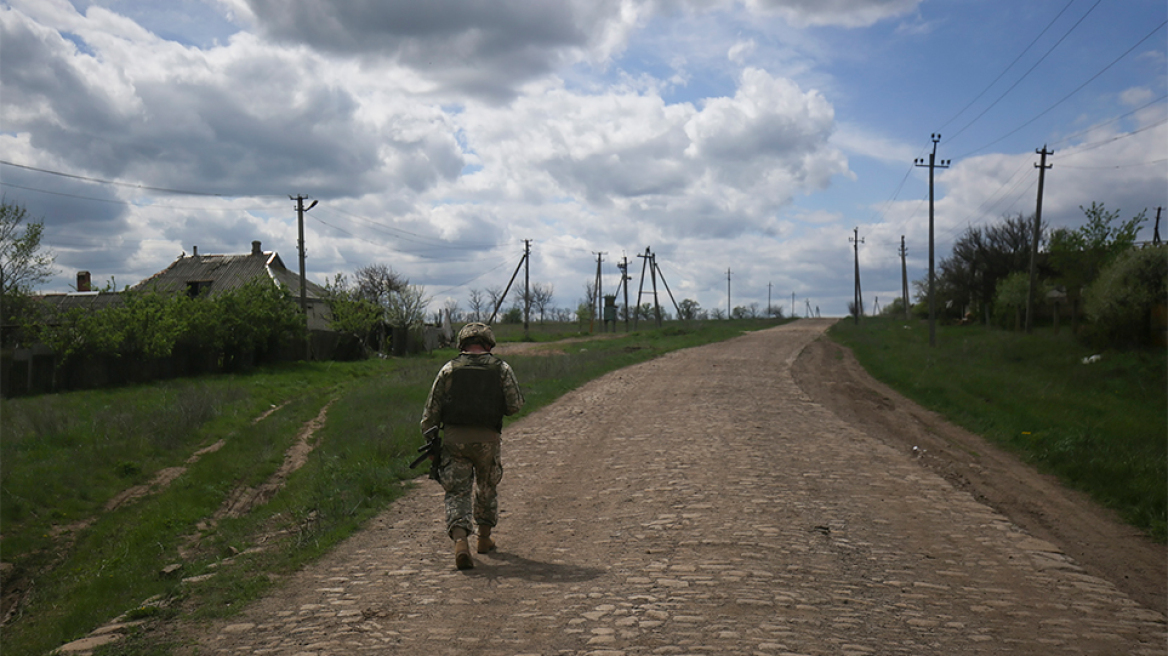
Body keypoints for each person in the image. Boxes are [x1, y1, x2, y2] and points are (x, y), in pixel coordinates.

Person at [420, 322, 524, 570]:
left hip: (455, 440)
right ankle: (484, 539)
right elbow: (514, 406)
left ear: (462, 344)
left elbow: (430, 413)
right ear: (488, 344)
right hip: (488, 440)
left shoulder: (448, 370)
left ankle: (460, 543)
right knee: (487, 487)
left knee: (457, 491)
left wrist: (430, 441)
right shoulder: (502, 369)